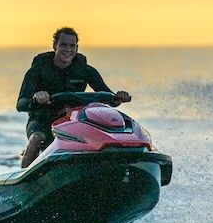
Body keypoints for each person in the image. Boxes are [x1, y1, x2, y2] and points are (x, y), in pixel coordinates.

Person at [16, 27, 131, 168]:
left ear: (77, 48)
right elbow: (20, 104)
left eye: (72, 46)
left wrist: (119, 97)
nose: (68, 49)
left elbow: (109, 98)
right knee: (37, 139)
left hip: (71, 120)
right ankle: (23, 179)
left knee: (97, 137)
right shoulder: (37, 70)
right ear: (55, 46)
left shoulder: (86, 70)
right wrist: (36, 98)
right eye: (63, 45)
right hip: (42, 120)